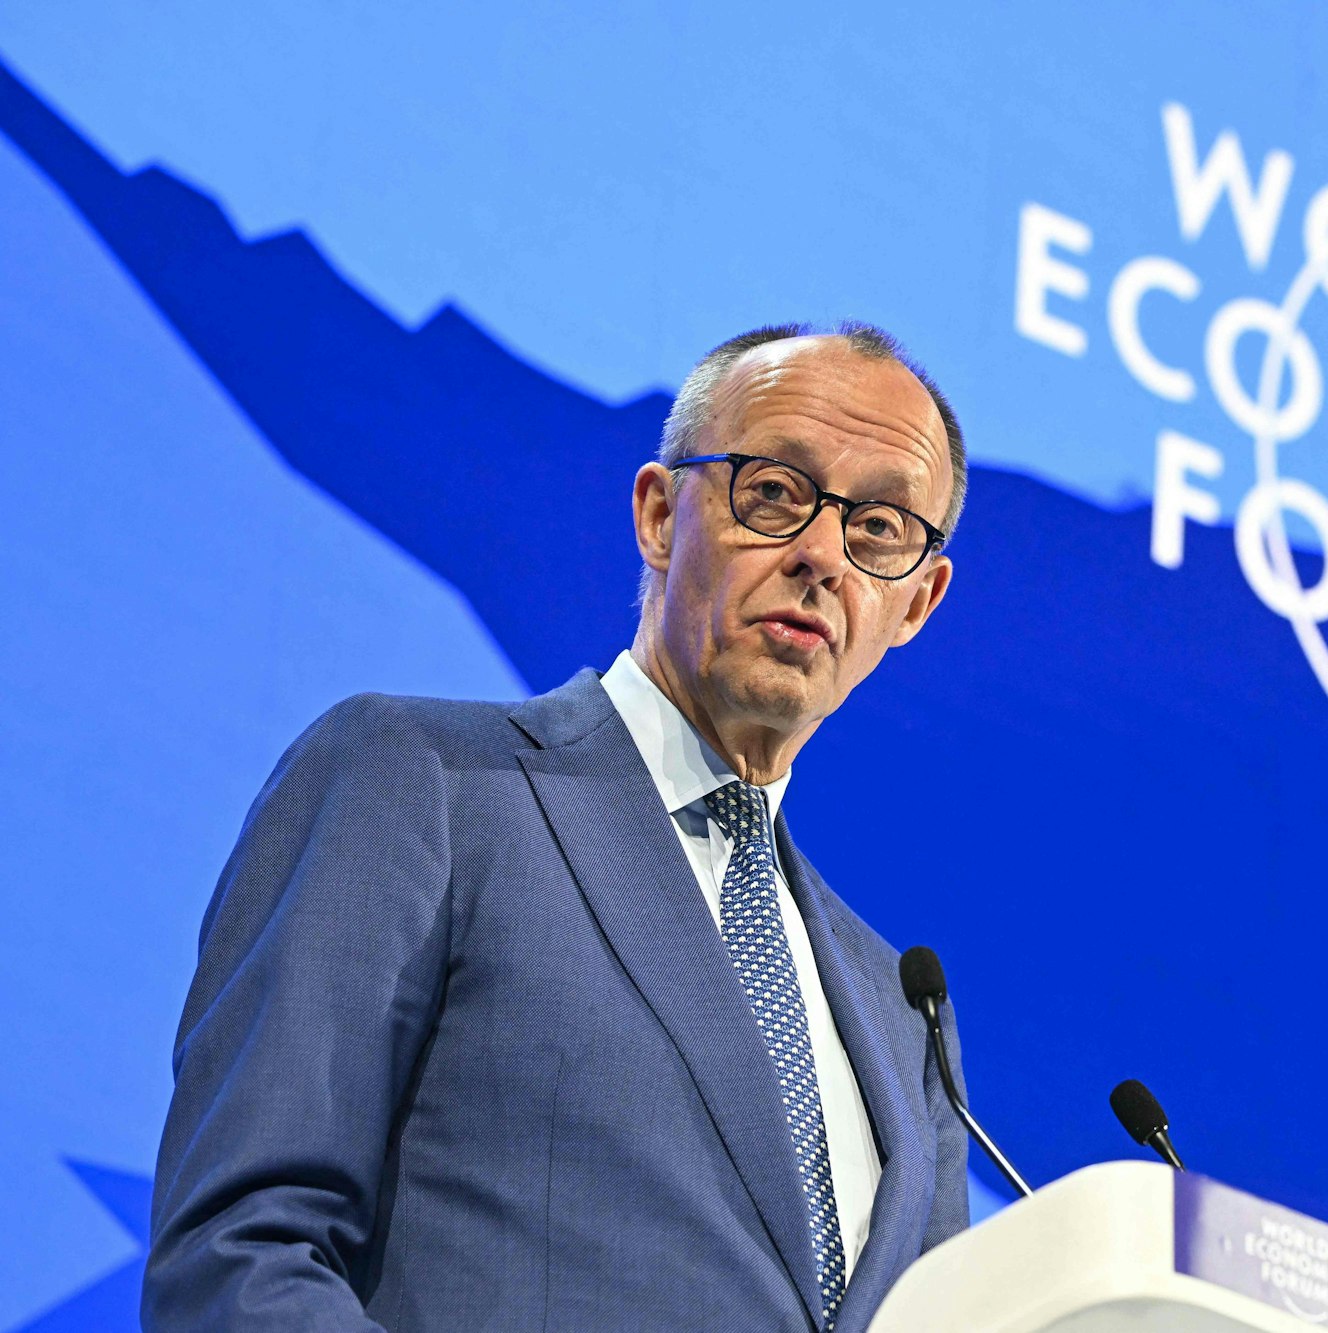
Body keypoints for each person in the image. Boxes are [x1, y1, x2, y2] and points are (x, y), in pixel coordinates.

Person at [144, 323, 972, 1331]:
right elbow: (242, 1254)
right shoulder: (424, 782)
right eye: (773, 492)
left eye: (878, 528)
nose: (818, 557)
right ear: (662, 515)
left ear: (916, 602)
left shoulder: (905, 1021)